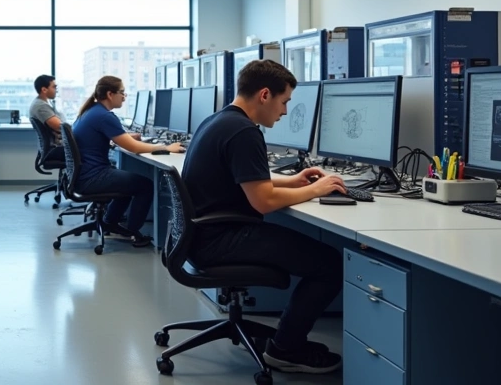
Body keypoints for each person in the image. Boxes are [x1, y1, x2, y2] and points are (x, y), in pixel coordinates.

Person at [181, 59, 344, 374]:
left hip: (202, 235)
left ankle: (287, 342)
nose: (284, 112)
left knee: (319, 257)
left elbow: (244, 179)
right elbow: (263, 201)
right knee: (329, 265)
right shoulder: (243, 131)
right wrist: (318, 189)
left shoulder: (219, 121)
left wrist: (293, 181)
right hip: (222, 240)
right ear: (265, 95)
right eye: (284, 102)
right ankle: (285, 349)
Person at [71, 76, 184, 247]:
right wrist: (167, 148)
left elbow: (107, 139)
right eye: (122, 93)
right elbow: (134, 148)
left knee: (128, 182)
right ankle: (133, 232)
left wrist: (123, 137)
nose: (124, 97)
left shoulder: (92, 111)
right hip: (93, 178)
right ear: (110, 94)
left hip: (84, 176)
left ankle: (110, 222)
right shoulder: (104, 116)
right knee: (144, 185)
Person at [29, 74, 65, 163]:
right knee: (88, 151)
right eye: (54, 87)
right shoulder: (41, 106)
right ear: (44, 89)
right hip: (54, 150)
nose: (56, 90)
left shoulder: (45, 103)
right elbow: (61, 127)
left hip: (55, 147)